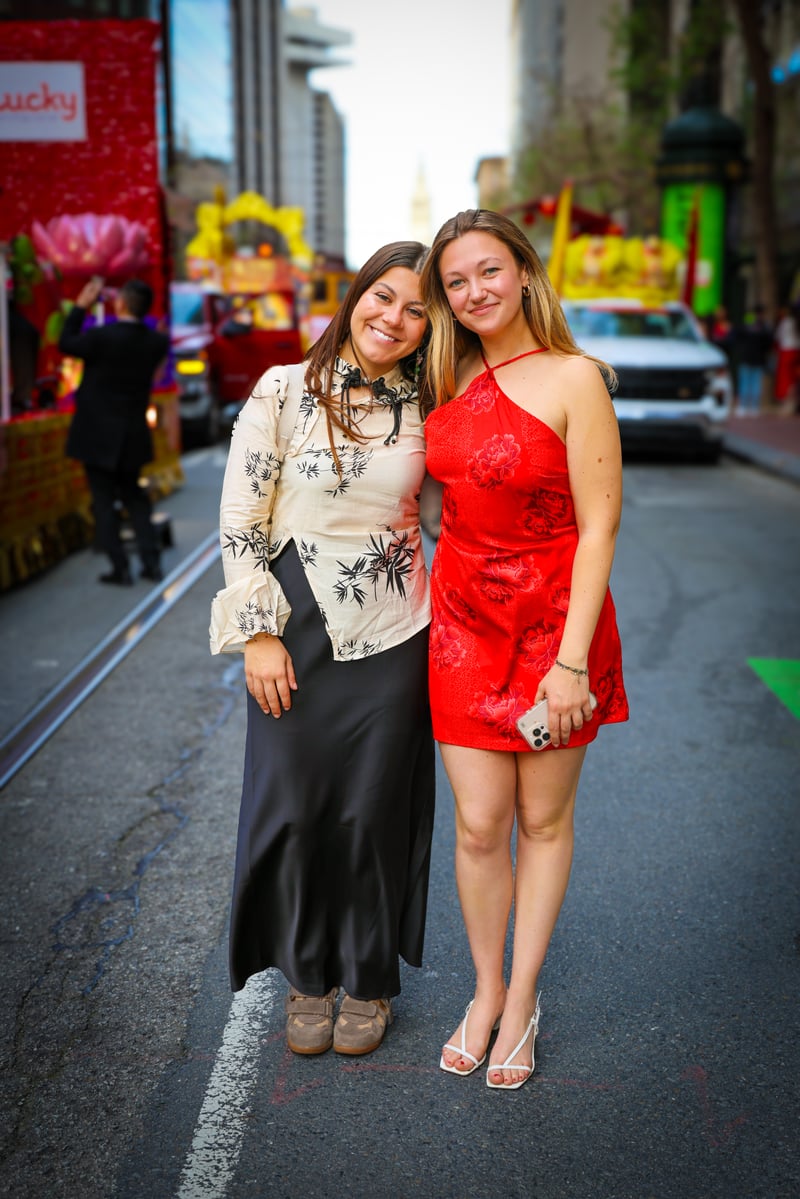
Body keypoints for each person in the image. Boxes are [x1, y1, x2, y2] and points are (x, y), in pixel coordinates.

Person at [209, 242, 435, 1057]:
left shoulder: (429, 399)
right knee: (296, 807)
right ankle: (308, 975)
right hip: (293, 624)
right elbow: (242, 517)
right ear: (356, 295)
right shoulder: (283, 388)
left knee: (372, 811)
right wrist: (259, 633)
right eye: (383, 296)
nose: (394, 319)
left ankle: (368, 978)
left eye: (416, 310)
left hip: (395, 631)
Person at [420, 209, 629, 1090]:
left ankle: (524, 998)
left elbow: (601, 523)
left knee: (542, 822)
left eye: (487, 272)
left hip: (554, 630)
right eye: (456, 281)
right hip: (463, 622)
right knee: (477, 825)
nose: (474, 292)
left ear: (523, 272)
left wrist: (572, 660)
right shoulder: (440, 371)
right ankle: (485, 987)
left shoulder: (578, 377)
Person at [59, 277, 170, 585]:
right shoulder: (156, 342)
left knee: (103, 500)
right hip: (133, 432)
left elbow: (65, 342)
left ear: (120, 303)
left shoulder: (100, 337)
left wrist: (81, 306)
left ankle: (119, 566)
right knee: (136, 497)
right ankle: (152, 562)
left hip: (96, 433)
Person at [732, 305, 773, 416]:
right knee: (749, 383)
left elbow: (768, 341)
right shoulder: (758, 326)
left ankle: (751, 406)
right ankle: (747, 406)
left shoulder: (760, 326)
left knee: (752, 383)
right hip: (751, 359)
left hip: (752, 359)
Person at [773, 305, 800, 414]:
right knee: (795, 378)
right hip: (797, 351)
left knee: (785, 378)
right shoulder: (797, 322)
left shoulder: (786, 322)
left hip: (787, 351)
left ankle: (787, 403)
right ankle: (793, 402)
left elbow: (778, 337)